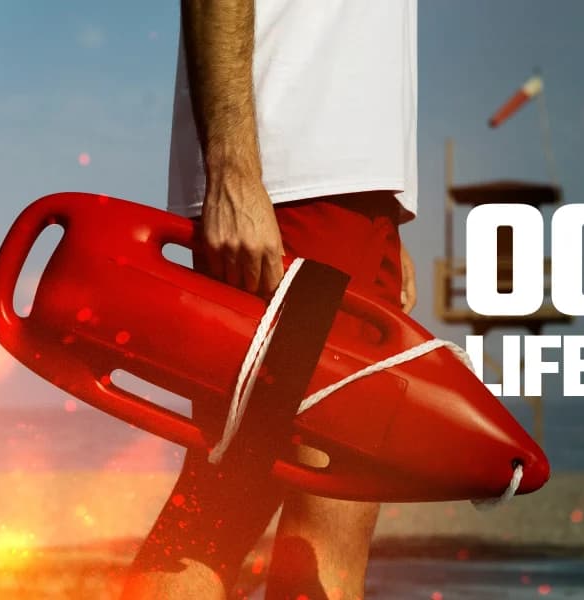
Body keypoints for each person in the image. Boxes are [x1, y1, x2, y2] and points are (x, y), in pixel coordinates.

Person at [122, 1, 418, 598]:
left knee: (330, 532)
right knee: (216, 514)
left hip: (348, 197)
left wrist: (383, 212)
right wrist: (232, 170)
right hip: (293, 189)